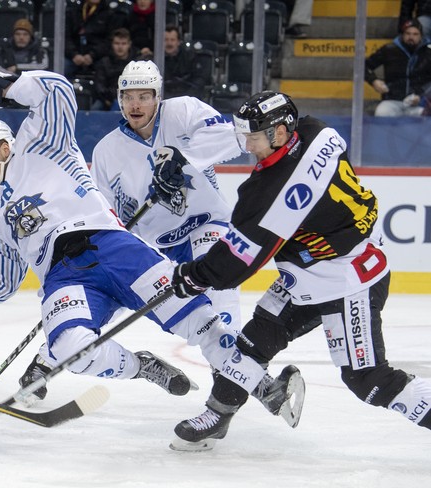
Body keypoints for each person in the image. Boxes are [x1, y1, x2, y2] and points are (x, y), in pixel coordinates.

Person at [0, 63, 301, 416]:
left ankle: (268, 389)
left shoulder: (41, 147)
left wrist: (6, 87)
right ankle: (142, 367)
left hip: (114, 247)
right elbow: (1, 285)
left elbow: (57, 92)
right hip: (63, 277)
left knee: (201, 322)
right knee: (70, 348)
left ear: (4, 147)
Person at [168, 90, 431, 451]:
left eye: (253, 137)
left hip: (347, 281)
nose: (246, 146)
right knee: (251, 344)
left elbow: (239, 261)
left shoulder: (270, 193)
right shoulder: (315, 131)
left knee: (367, 379)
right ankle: (218, 414)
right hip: (312, 273)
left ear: (279, 133)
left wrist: (194, 276)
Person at [90, 60, 242, 372]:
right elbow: (104, 213)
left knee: (220, 292)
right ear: (119, 99)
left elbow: (232, 138)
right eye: (128, 96)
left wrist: (183, 160)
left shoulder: (183, 111)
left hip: (206, 222)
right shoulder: (106, 152)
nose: (135, 104)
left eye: (144, 96)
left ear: (158, 96)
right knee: (106, 294)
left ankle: (232, 369)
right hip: (155, 245)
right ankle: (51, 354)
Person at [365, 19, 431, 116]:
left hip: (420, 103)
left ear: (421, 36)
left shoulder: (428, 52)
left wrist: (422, 97)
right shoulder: (389, 50)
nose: (411, 37)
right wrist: (374, 80)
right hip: (392, 101)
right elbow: (363, 66)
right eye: (408, 33)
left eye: (415, 34)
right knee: (381, 113)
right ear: (402, 34)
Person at [65, 0, 123, 79]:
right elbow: (65, 37)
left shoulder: (109, 13)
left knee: (104, 67)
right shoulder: (75, 11)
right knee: (63, 67)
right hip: (74, 56)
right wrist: (74, 54)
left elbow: (109, 41)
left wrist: (92, 55)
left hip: (98, 57)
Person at [91, 28, 138, 111]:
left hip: (131, 99)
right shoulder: (104, 62)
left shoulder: (136, 63)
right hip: (107, 100)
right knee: (95, 108)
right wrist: (108, 100)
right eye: (117, 43)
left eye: (123, 43)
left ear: (129, 44)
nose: (120, 47)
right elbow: (99, 86)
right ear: (112, 44)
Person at [161, 25, 206, 99]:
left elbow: (199, 80)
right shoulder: (156, 59)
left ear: (178, 42)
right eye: (166, 40)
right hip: (165, 99)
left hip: (187, 98)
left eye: (172, 40)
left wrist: (187, 97)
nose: (169, 43)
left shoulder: (190, 57)